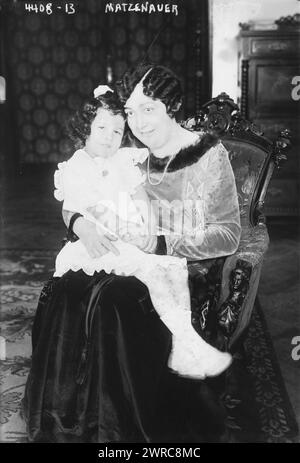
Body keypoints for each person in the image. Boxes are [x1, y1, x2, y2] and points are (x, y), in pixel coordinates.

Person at [23, 63, 241, 443]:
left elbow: (230, 235)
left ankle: (118, 428)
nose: (138, 122)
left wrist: (160, 242)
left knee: (112, 304)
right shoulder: (126, 147)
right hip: (116, 250)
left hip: (175, 265)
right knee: (67, 292)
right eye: (132, 111)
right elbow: (79, 194)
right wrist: (80, 224)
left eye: (149, 109)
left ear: (170, 108)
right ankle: (69, 422)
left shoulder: (207, 154)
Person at [53, 84, 232, 379]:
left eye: (116, 131)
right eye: (102, 128)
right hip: (107, 239)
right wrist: (112, 229)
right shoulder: (75, 167)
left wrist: (148, 227)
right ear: (85, 126)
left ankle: (185, 340)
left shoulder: (125, 159)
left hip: (135, 230)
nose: (110, 138)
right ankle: (182, 342)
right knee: (153, 273)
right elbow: (89, 209)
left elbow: (140, 195)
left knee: (170, 267)